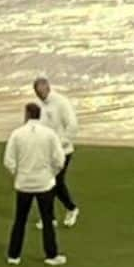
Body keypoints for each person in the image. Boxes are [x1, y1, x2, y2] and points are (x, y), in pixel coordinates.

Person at [3, 102, 67, 266]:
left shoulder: (17, 134)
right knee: (47, 219)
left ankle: (13, 255)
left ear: (26, 115)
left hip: (24, 183)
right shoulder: (49, 134)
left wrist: (18, 174)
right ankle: (51, 255)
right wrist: (51, 173)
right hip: (44, 183)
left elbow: (8, 161)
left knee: (20, 220)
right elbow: (59, 159)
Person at [34, 77, 80, 227]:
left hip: (63, 150)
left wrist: (60, 144)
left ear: (48, 87)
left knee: (56, 182)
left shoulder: (61, 103)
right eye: (38, 93)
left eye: (42, 91)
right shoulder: (41, 105)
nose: (41, 95)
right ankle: (50, 217)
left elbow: (72, 126)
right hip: (47, 152)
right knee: (47, 183)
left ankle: (71, 208)